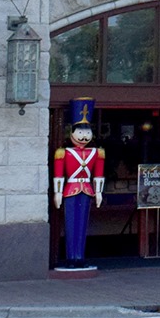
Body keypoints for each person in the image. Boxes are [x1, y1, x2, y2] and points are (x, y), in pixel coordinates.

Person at [53, 100, 105, 271]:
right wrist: (58, 192)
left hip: (87, 190)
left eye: (87, 131)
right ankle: (70, 257)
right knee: (71, 223)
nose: (84, 135)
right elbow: (59, 173)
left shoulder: (97, 153)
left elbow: (98, 173)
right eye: (80, 131)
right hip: (70, 190)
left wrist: (98, 192)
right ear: (72, 132)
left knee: (83, 224)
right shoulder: (63, 152)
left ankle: (79, 256)